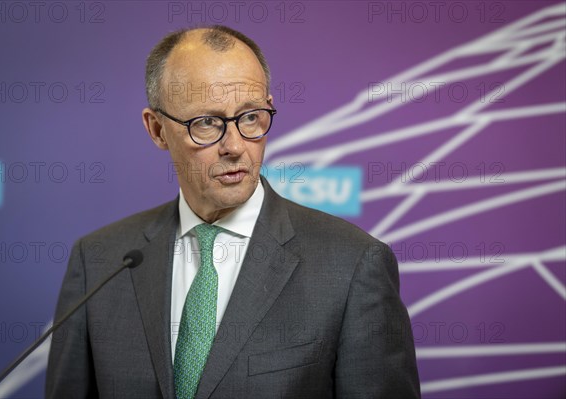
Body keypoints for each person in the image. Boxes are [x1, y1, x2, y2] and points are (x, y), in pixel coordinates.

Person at [46, 25, 420, 399]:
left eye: (251, 116)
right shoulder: (99, 261)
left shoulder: (351, 265)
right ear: (157, 129)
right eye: (207, 122)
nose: (236, 146)